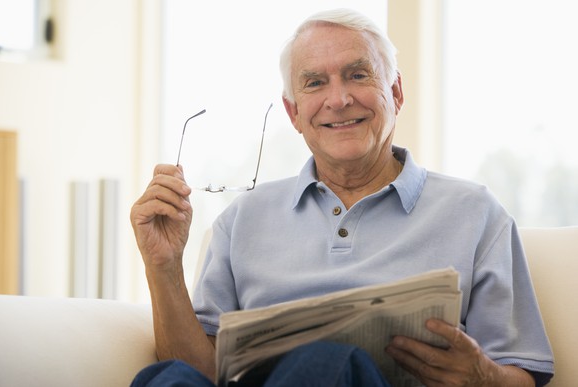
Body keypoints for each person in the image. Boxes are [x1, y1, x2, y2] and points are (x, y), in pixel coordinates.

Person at [130, 8, 554, 387]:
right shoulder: (241, 220)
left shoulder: (476, 213)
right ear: (294, 113)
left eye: (357, 74)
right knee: (163, 378)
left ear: (397, 93)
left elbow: (522, 372)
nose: (339, 99)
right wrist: (162, 266)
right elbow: (200, 372)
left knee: (327, 363)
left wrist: (483, 377)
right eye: (315, 83)